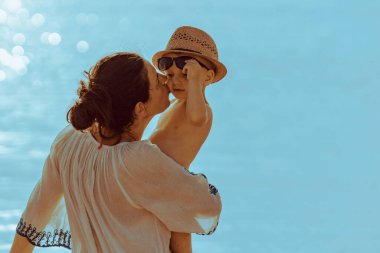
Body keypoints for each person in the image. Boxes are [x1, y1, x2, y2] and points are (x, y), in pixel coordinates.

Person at [10, 52, 222, 253]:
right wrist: (181, 170)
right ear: (140, 108)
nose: (165, 80)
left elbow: (35, 215)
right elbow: (205, 208)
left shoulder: (69, 141)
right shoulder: (142, 160)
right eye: (157, 81)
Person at [150, 26, 227, 253]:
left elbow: (196, 117)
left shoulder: (201, 110)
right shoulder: (175, 105)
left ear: (208, 77)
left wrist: (194, 81)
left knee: (179, 235)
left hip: (174, 180)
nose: (176, 82)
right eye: (170, 75)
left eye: (186, 75)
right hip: (157, 174)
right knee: (166, 231)